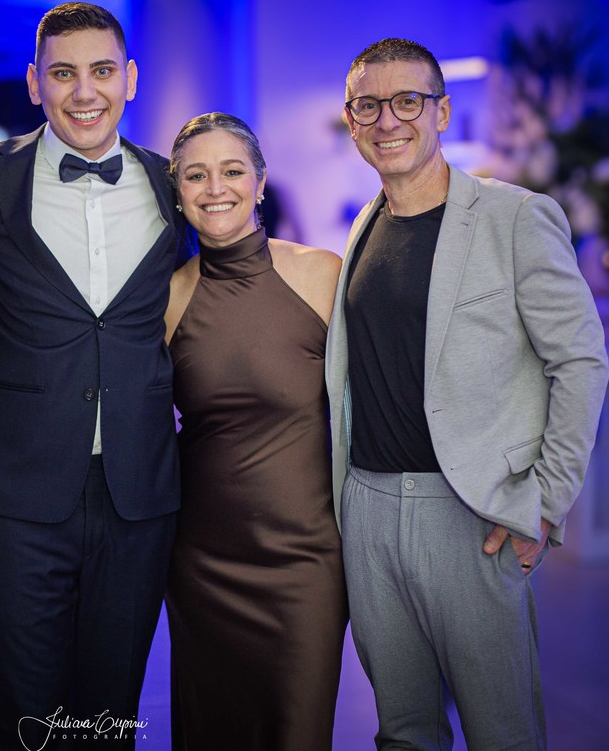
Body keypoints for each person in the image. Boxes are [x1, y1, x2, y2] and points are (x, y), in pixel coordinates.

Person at [326, 38, 609, 750]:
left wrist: (545, 502)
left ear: (443, 111)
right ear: (351, 121)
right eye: (368, 106)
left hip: (470, 511)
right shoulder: (364, 225)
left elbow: (579, 361)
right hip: (367, 507)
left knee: (502, 733)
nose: (388, 120)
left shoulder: (516, 217)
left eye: (407, 101)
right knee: (403, 732)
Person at [0, 2, 192, 749]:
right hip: (18, 493)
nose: (85, 92)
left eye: (102, 71)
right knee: (27, 716)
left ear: (130, 79)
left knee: (109, 713)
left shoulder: (171, 183)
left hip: (138, 494)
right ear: (33, 83)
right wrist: (28, 389)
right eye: (63, 73)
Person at [163, 113, 347, 750]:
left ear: (261, 182)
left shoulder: (323, 275)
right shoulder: (168, 298)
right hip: (204, 563)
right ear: (178, 191)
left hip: (306, 561)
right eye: (196, 175)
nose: (215, 188)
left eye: (233, 171)